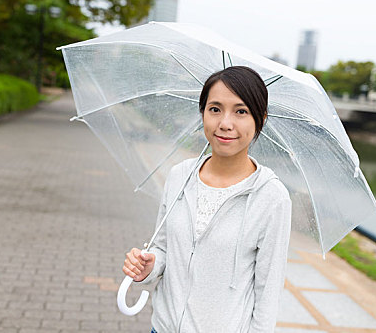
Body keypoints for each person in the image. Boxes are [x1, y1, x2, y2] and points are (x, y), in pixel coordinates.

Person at [123, 66, 292, 332]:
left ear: (260, 119)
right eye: (215, 109)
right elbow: (164, 248)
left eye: (241, 111)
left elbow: (268, 292)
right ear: (202, 113)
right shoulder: (180, 176)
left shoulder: (271, 197)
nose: (225, 123)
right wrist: (151, 265)